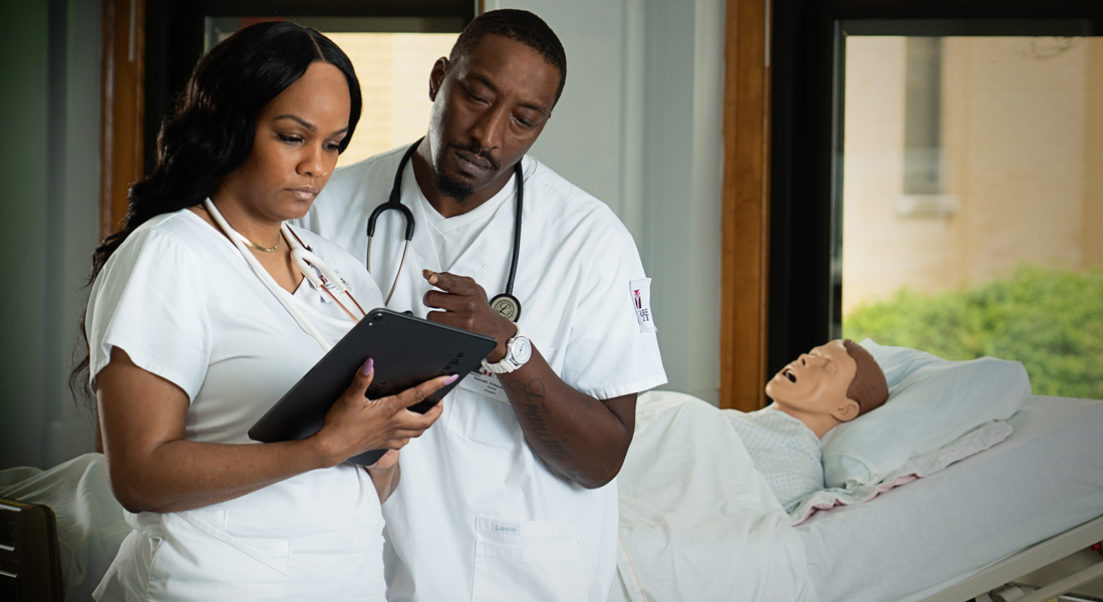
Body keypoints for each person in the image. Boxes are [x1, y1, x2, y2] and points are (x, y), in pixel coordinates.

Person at [298, 9, 667, 601]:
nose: (489, 135)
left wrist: (509, 351)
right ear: (439, 79)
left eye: (524, 119)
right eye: (476, 96)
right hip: (351, 559)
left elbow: (602, 458)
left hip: (515, 575)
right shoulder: (325, 206)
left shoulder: (591, 241)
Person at [78, 22, 449, 601]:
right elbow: (138, 476)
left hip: (344, 582)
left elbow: (366, 486)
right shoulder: (171, 252)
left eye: (333, 144)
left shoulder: (340, 272)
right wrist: (319, 448)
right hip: (211, 584)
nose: (316, 167)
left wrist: (385, 436)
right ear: (231, 126)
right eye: (292, 136)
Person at [725, 338, 890, 512]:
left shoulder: (794, 467)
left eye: (826, 366)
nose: (804, 357)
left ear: (844, 410)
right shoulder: (749, 425)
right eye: (813, 354)